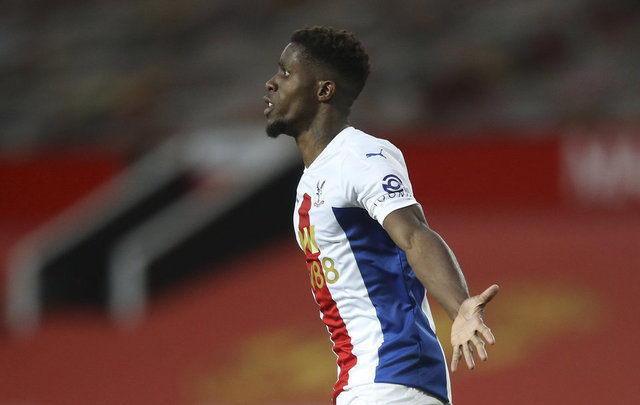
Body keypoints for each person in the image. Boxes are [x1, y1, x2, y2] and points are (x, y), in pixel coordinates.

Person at [263, 25, 499, 405]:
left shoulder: (360, 156)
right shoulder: (315, 177)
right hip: (365, 381)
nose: (272, 83)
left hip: (394, 378)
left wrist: (460, 308)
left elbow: (414, 234)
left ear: (324, 90)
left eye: (286, 73)